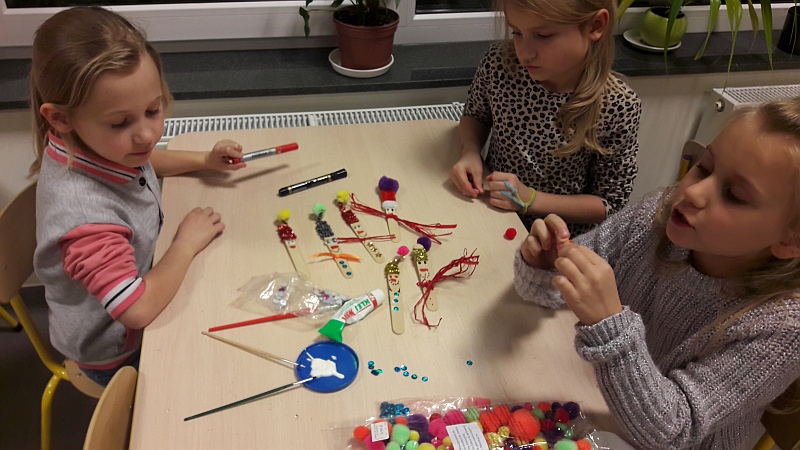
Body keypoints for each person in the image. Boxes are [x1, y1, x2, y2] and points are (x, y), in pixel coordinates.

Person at [514, 98, 800, 449]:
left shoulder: (783, 326)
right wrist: (546, 267)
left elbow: (672, 432)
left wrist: (607, 324)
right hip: (597, 398)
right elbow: (550, 293)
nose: (692, 192)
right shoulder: (656, 217)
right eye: (705, 168)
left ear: (790, 240)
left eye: (734, 196)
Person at [29, 6, 248, 386]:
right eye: (121, 123)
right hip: (116, 350)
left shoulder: (92, 145)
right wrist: (185, 244)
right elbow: (137, 309)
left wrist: (204, 160)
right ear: (61, 119)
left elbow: (144, 161)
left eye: (153, 110)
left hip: (137, 285)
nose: (147, 135)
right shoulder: (85, 219)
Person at [450, 0, 640, 235]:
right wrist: (470, 151)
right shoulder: (500, 63)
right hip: (495, 217)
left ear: (595, 25)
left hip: (558, 239)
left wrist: (530, 199)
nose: (524, 53)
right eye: (516, 32)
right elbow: (475, 115)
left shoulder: (617, 105)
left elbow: (609, 203)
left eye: (543, 35)